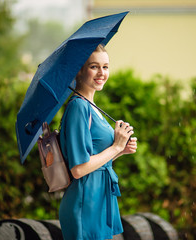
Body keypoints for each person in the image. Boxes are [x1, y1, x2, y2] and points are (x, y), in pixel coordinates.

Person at [58, 44, 138, 240]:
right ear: (79, 70)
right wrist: (116, 146)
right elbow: (79, 169)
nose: (102, 73)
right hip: (85, 202)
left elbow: (96, 161)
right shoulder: (78, 107)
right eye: (94, 66)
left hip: (99, 199)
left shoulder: (92, 107)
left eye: (106, 67)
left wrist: (120, 151)